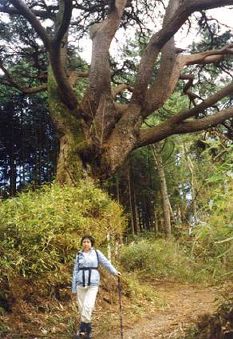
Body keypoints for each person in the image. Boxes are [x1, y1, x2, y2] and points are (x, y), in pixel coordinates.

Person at [72, 235, 121, 338]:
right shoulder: (78, 254)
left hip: (93, 283)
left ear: (91, 244)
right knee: (81, 309)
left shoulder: (96, 253)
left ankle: (82, 328)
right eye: (84, 242)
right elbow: (75, 271)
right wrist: (73, 287)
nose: (86, 244)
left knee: (88, 306)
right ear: (82, 243)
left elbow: (106, 263)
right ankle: (88, 329)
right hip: (80, 284)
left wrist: (114, 272)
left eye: (88, 242)